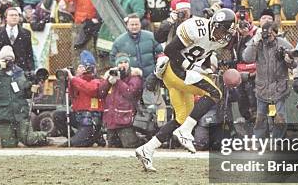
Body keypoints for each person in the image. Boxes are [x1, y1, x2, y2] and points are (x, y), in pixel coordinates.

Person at [135, 9, 237, 171]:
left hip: (181, 75)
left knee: (182, 116)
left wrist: (205, 68)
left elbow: (202, 54)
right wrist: (190, 67)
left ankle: (147, 149)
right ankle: (186, 130)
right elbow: (169, 50)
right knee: (215, 93)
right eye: (220, 30)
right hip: (175, 71)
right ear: (213, 24)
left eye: (225, 32)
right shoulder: (196, 28)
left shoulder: (222, 39)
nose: (222, 35)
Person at [0, 45, 49, 148]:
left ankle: (44, 137)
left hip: (20, 113)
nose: (8, 62)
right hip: (3, 115)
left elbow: (25, 93)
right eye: (5, 59)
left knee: (28, 139)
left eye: (10, 59)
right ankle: (15, 137)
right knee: (9, 145)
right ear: (0, 60)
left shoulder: (19, 73)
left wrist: (32, 89)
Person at [242, 21, 298, 142]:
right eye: (265, 34)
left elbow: (295, 64)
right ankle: (259, 140)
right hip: (262, 87)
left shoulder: (283, 43)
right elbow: (247, 58)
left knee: (280, 117)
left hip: (279, 88)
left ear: (275, 33)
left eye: (269, 34)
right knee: (260, 117)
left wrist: (288, 60)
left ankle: (278, 140)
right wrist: (254, 42)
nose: (267, 37)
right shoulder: (258, 43)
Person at [52, 51, 106, 147]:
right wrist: (67, 79)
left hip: (90, 120)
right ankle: (75, 136)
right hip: (78, 117)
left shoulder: (98, 80)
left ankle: (92, 136)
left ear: (89, 68)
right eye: (79, 66)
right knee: (58, 115)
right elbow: (71, 95)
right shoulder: (76, 80)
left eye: (82, 66)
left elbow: (91, 89)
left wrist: (73, 79)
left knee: (76, 144)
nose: (79, 68)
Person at [98, 54, 144, 148]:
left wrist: (118, 81)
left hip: (125, 119)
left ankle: (143, 141)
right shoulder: (111, 75)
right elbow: (101, 93)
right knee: (113, 147)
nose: (123, 65)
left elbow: (131, 93)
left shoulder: (134, 76)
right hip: (111, 120)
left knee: (130, 145)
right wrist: (108, 82)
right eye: (120, 62)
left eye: (125, 62)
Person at [110, 14, 163, 79]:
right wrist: (123, 73)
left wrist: (156, 69)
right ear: (127, 26)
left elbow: (160, 53)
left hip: (151, 77)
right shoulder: (119, 42)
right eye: (132, 25)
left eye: (136, 24)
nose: (134, 27)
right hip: (130, 79)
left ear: (140, 25)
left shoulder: (150, 37)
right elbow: (113, 59)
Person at [0, 7, 35, 73]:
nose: (14, 17)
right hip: (2, 70)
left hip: (21, 71)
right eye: (11, 15)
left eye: (16, 15)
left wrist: (31, 70)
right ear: (6, 18)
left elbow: (29, 54)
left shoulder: (26, 33)